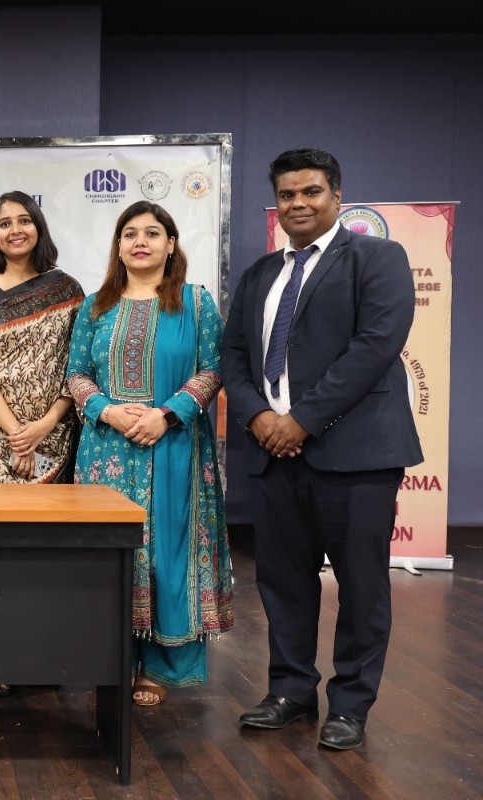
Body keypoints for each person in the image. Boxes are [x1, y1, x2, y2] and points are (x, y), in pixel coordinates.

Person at [220, 148, 422, 750]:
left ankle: (351, 705)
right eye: (287, 194)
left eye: (310, 192)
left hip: (354, 454)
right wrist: (260, 417)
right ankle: (290, 691)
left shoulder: (377, 258)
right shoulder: (260, 274)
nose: (298, 203)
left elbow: (375, 345)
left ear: (337, 195)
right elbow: (233, 355)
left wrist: (302, 421)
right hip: (271, 452)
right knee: (283, 581)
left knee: (361, 585)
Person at [67, 200, 232, 708]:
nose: (141, 241)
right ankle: (106, 660)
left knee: (167, 552)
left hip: (174, 448)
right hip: (106, 452)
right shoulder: (95, 306)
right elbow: (76, 374)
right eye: (130, 234)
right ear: (118, 247)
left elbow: (213, 369)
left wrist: (167, 414)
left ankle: (159, 666)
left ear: (171, 243)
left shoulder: (196, 302)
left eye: (153, 233)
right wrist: (107, 410)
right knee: (107, 556)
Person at [0, 191, 84, 485]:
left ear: (38, 227)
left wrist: (45, 424)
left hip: (53, 433)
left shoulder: (67, 289)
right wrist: (18, 436)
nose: (15, 230)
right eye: (5, 224)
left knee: (53, 514)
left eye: (24, 221)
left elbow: (77, 368)